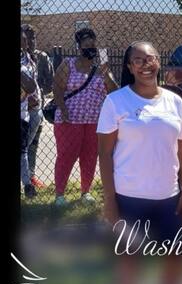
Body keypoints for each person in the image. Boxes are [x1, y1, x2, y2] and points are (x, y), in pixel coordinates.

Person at [97, 41, 182, 284]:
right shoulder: (116, 102)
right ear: (128, 67)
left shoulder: (175, 101)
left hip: (168, 196)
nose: (146, 64)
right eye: (138, 60)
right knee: (130, 259)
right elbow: (104, 154)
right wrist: (110, 201)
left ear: (158, 63)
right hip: (130, 197)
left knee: (175, 257)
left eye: (151, 58)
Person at [53, 27, 118, 206]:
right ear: (79, 47)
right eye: (86, 44)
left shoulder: (100, 69)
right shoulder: (68, 64)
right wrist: (63, 109)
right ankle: (59, 194)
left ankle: (85, 192)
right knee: (66, 155)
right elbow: (57, 88)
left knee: (89, 156)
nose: (91, 47)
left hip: (94, 121)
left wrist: (106, 73)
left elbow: (114, 91)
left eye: (93, 44)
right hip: (69, 120)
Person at [22, 24, 54, 189]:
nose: (30, 41)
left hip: (36, 106)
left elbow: (50, 83)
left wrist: (37, 89)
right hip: (22, 107)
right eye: (27, 38)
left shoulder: (41, 57)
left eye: (33, 37)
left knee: (32, 143)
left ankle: (31, 176)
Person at [21, 26, 39, 199]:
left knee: (24, 149)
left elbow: (32, 84)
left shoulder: (29, 59)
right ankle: (27, 184)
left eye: (27, 40)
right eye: (24, 40)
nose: (26, 43)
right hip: (25, 109)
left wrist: (30, 96)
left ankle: (28, 184)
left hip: (26, 113)